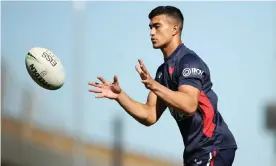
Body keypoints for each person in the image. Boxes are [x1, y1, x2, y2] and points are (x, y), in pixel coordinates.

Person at [88, 5, 237, 166]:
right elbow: (149, 114)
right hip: (194, 153)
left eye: (157, 26)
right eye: (150, 27)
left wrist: (154, 85)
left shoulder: (189, 61)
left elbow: (189, 105)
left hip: (214, 147)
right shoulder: (162, 72)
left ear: (174, 29)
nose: (151, 32)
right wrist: (119, 96)